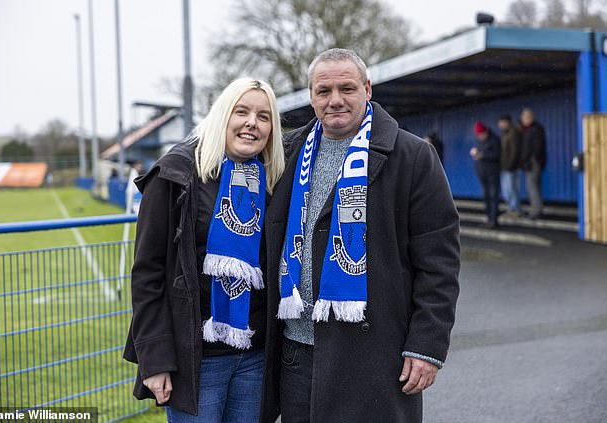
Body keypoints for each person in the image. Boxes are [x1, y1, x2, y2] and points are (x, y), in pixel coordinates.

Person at [261, 48, 460, 423]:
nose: (335, 100)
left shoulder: (413, 156)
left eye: (346, 88)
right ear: (311, 96)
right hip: (297, 354)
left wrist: (426, 346)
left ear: (368, 89)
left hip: (375, 357)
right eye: (323, 91)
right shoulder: (286, 154)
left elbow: (439, 263)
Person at [122, 78, 285, 422]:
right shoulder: (175, 174)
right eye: (241, 112)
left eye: (264, 116)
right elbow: (148, 273)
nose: (251, 123)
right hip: (196, 360)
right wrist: (155, 360)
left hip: (254, 357)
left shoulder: (272, 180)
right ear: (221, 115)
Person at [470, 121, 501, 228]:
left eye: (481, 134)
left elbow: (497, 155)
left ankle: (494, 220)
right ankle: (489, 218)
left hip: (492, 172)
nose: (480, 137)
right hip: (482, 172)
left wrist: (482, 155)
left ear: (486, 131)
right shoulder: (479, 141)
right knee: (486, 196)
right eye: (478, 135)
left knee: (493, 196)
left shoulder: (494, 140)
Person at [519, 108, 547, 219]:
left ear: (529, 118)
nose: (523, 120)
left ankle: (536, 210)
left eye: (524, 118)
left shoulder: (534, 129)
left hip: (533, 162)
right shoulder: (531, 129)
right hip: (534, 161)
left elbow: (536, 148)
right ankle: (537, 208)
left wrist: (530, 159)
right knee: (535, 186)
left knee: (532, 187)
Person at [497, 115, 521, 218]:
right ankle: (511, 209)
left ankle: (515, 209)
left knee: (512, 189)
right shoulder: (504, 133)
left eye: (501, 122)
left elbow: (514, 151)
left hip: (510, 167)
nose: (500, 125)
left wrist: (510, 165)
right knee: (506, 190)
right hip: (504, 166)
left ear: (507, 122)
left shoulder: (513, 133)